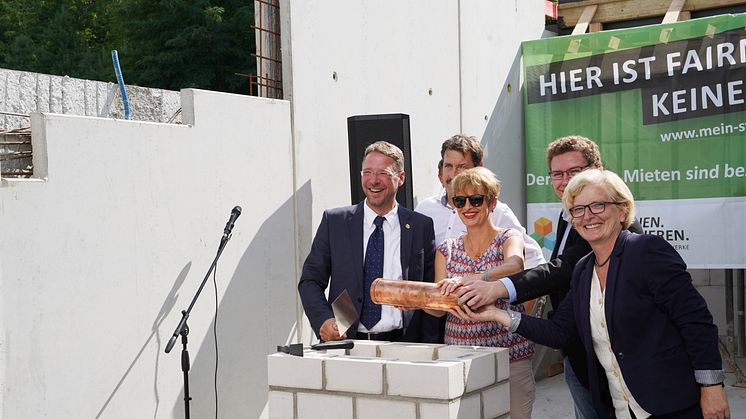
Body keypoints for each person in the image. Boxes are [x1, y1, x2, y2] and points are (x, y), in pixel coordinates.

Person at [452, 169, 731, 419]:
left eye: (598, 205)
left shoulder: (646, 251)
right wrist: (499, 314)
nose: (588, 216)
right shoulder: (584, 270)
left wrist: (712, 387)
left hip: (673, 405)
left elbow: (696, 323)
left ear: (622, 210)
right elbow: (560, 332)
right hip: (620, 408)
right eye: (578, 209)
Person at [445, 135, 642, 418]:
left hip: (620, 355)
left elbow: (560, 269)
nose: (564, 181)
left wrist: (497, 287)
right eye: (557, 174)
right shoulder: (568, 217)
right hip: (576, 345)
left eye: (574, 172)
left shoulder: (627, 235)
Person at [298, 141, 438, 342]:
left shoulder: (420, 226)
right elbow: (310, 280)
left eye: (383, 173)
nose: (374, 181)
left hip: (405, 345)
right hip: (347, 344)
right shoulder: (336, 222)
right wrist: (324, 320)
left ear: (401, 178)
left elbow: (429, 290)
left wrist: (430, 346)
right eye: (368, 172)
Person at [425, 167, 536, 419]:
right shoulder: (447, 250)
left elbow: (515, 265)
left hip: (510, 357)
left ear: (492, 202)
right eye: (459, 200)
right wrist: (413, 301)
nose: (468, 207)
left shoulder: (508, 237)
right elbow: (436, 308)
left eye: (476, 199)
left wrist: (478, 277)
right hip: (461, 358)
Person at [415, 134, 545, 269]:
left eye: (461, 166)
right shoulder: (425, 209)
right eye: (448, 166)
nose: (454, 174)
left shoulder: (497, 211)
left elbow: (532, 260)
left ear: (479, 168)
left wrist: (503, 285)